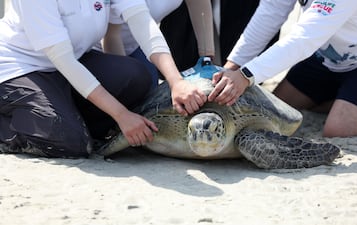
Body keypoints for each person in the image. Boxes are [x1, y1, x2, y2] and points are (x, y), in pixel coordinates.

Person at [0, 0, 206, 158]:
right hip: (21, 67)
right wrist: (121, 115)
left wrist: (176, 82)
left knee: (136, 78)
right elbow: (63, 61)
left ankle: (66, 117)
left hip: (75, 60)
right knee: (70, 143)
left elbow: (143, 23)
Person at [208, 0, 357, 138]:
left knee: (339, 130)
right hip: (326, 56)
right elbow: (270, 13)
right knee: (275, 112)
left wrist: (245, 76)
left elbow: (304, 38)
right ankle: (353, 101)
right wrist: (231, 67)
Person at [101, 0, 215, 88]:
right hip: (104, 51)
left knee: (153, 88)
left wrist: (206, 59)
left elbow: (198, 3)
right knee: (137, 87)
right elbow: (111, 37)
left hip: (141, 45)